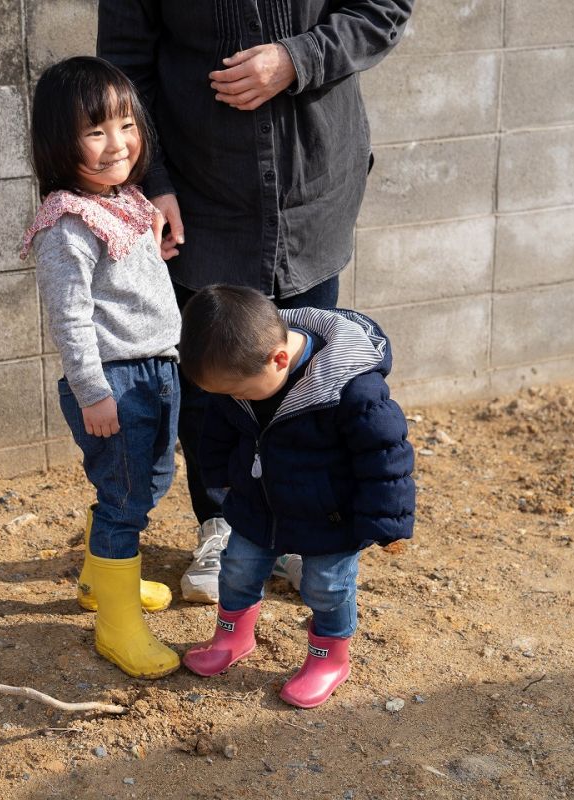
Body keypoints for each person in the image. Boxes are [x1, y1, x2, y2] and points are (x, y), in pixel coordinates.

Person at [98, 1, 415, 603]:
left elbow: (385, 7)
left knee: (309, 376)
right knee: (211, 376)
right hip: (198, 192)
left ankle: (307, 530)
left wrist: (299, 58)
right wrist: (153, 180)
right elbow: (125, 66)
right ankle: (221, 522)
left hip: (313, 185)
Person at [19, 57, 181, 679]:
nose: (118, 144)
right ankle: (115, 624)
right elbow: (71, 319)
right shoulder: (67, 223)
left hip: (157, 372)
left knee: (149, 482)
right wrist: (93, 392)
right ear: (61, 142)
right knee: (124, 500)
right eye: (95, 132)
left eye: (126, 125)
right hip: (115, 383)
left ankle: (102, 578)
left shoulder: (125, 200)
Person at [177, 285, 415, 708]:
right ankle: (233, 639)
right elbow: (217, 429)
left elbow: (385, 456)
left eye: (240, 393)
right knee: (237, 569)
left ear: (279, 359)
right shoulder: (241, 375)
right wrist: (219, 476)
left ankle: (329, 659)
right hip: (259, 504)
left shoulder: (351, 389)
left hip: (330, 517)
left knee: (326, 586)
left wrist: (388, 522)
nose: (234, 400)